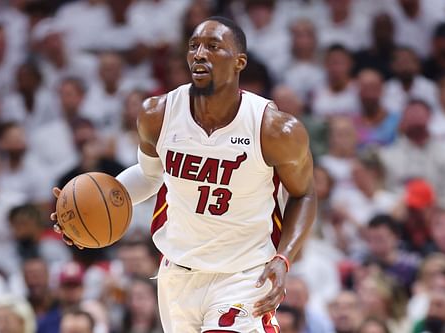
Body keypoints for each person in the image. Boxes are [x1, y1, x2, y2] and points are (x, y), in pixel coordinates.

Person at [52, 16, 316, 332]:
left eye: (213, 46)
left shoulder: (274, 129)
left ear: (239, 62)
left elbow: (304, 193)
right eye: (194, 46)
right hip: (177, 274)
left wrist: (284, 258)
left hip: (243, 274)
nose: (199, 54)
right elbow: (150, 177)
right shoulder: (157, 114)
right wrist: (86, 211)